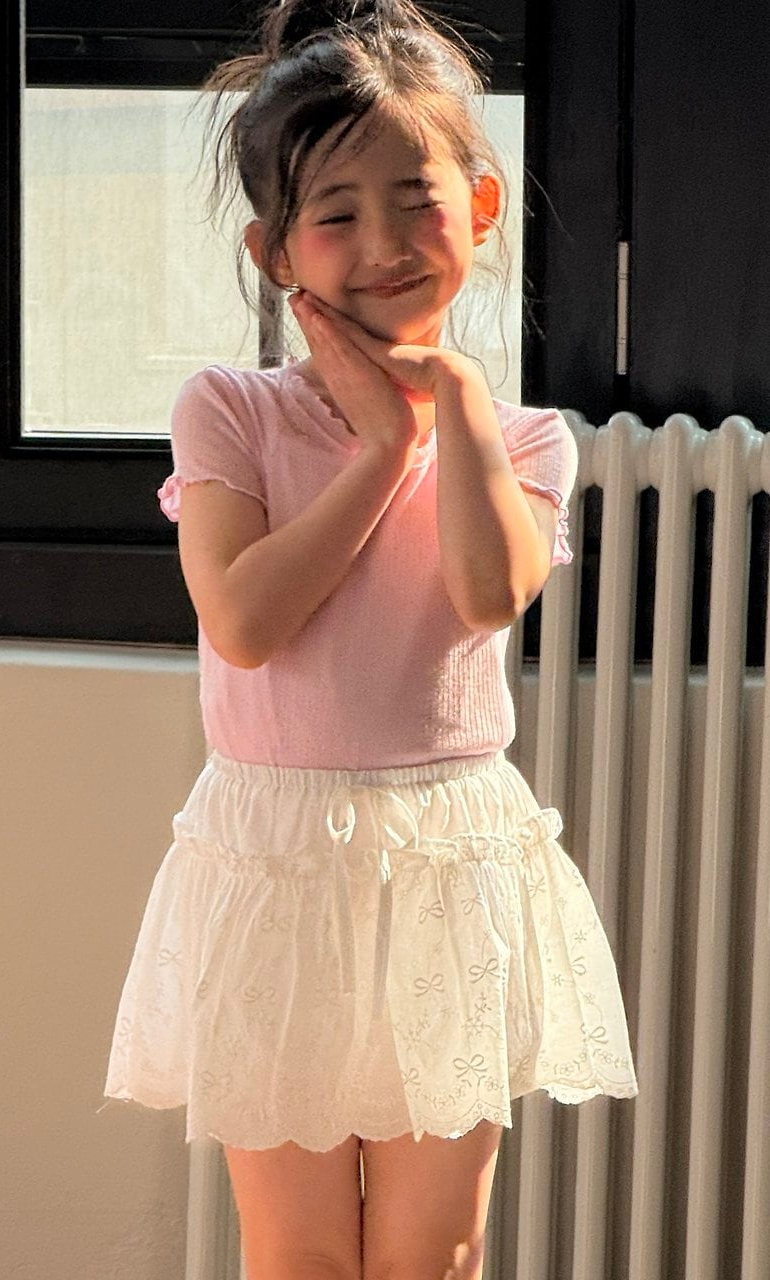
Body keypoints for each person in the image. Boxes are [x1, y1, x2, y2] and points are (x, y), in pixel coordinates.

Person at [98, 1, 639, 1278]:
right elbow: (243, 621)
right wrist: (383, 448)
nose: (384, 245)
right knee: (296, 1254)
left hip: (446, 853)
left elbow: (487, 590)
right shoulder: (228, 409)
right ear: (274, 250)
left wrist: (449, 403)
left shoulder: (522, 437)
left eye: (415, 201)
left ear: (479, 208)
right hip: (274, 854)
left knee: (431, 1252)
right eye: (335, 215)